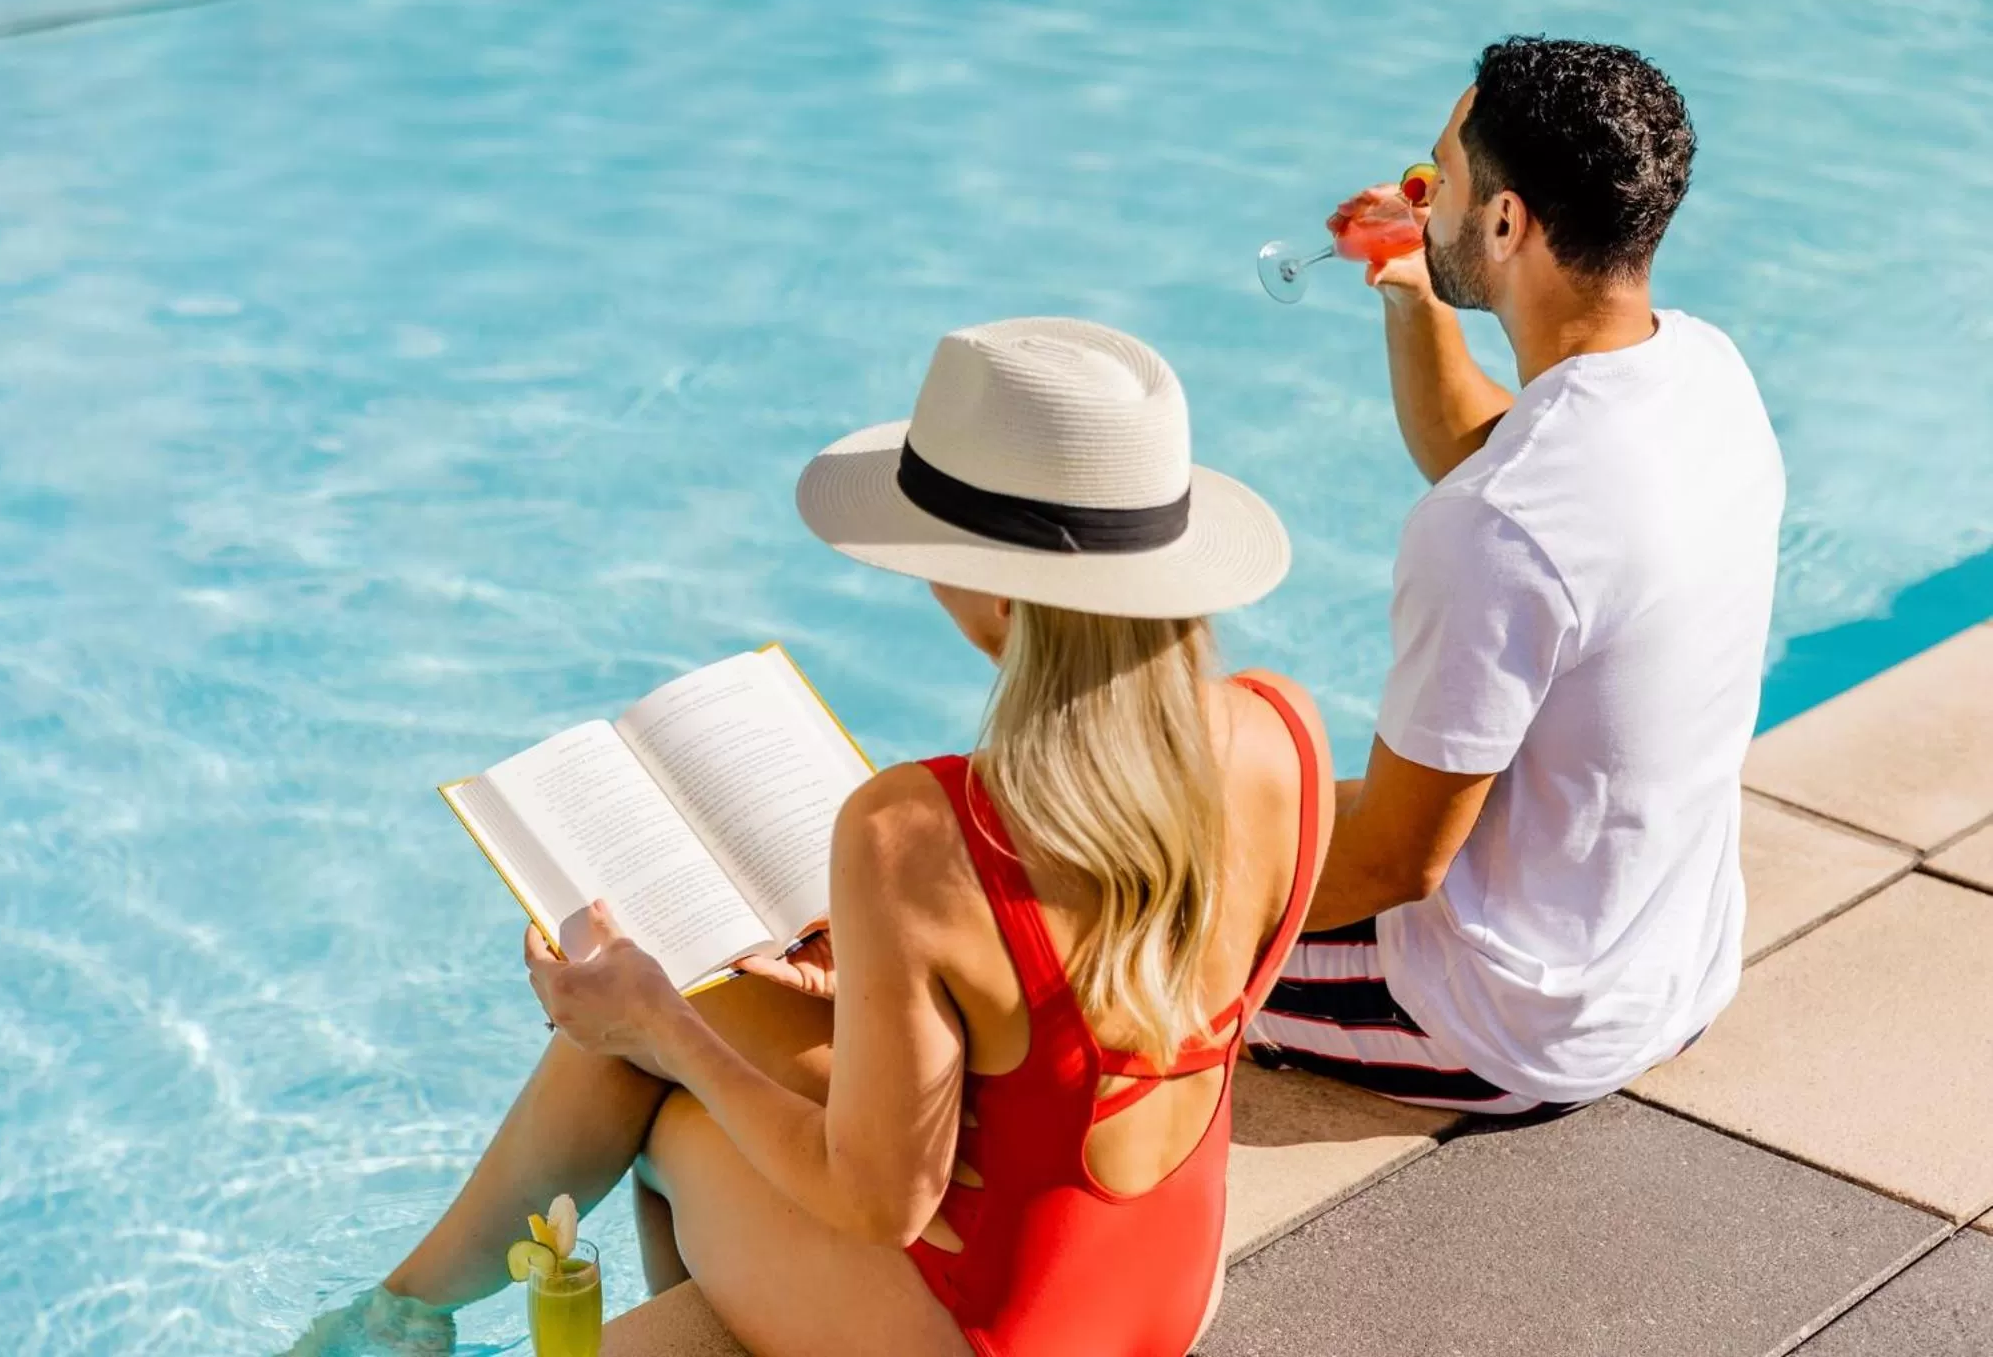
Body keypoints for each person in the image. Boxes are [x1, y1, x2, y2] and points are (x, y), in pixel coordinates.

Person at [298, 317, 1334, 1357]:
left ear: (997, 591)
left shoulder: (915, 829)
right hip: (1164, 1286)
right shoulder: (1283, 730)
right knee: (702, 1008)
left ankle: (391, 1322)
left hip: (994, 1334)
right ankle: (403, 1311)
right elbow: (1114, 1020)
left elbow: (879, 1203)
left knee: (658, 1106)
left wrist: (663, 1031)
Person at [1246, 36, 1786, 1116]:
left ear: (1504, 222)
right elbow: (1499, 460)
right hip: (1664, 960)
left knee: (1085, 956)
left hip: (1505, 1022)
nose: (1418, 192)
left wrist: (1151, 912)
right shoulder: (1700, 372)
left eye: (1437, 176)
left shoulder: (1495, 528)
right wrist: (1414, 290)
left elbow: (1394, 863)